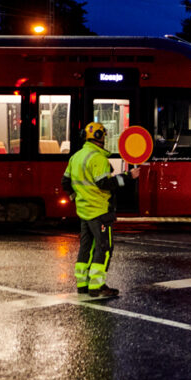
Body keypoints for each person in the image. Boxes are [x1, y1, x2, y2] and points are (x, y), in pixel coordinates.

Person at [62, 122, 140, 298]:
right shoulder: (98, 158)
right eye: (104, 135)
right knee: (104, 248)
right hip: (100, 211)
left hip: (84, 211)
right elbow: (105, 183)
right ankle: (97, 286)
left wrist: (77, 198)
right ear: (100, 137)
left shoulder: (77, 157)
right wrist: (127, 177)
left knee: (86, 247)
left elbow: (65, 183)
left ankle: (82, 284)